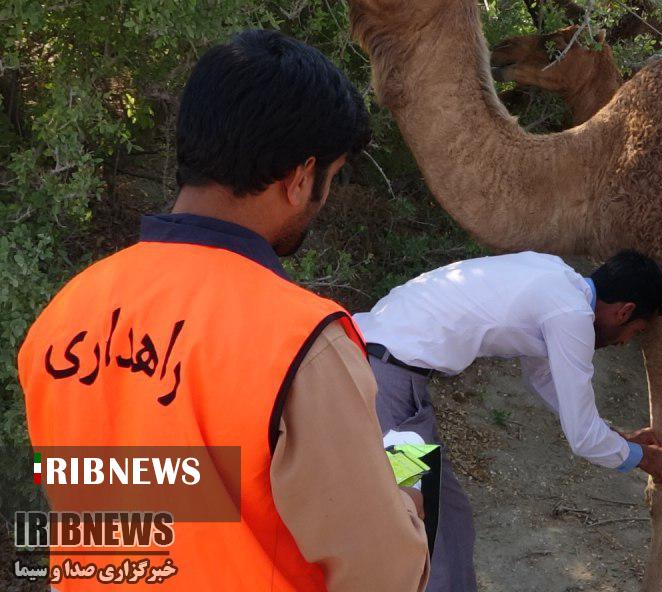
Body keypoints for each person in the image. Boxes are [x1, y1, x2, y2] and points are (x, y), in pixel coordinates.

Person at [17, 30, 430, 591]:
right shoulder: (302, 342)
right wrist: (403, 498)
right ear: (301, 177)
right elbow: (382, 572)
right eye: (328, 181)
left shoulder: (65, 313)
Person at [356, 249, 662, 592]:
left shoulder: (555, 278)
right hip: (390, 387)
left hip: (386, 368)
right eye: (635, 331)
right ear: (625, 311)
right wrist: (646, 459)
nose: (623, 342)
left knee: (450, 520)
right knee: (425, 526)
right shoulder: (570, 314)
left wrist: (618, 437)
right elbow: (583, 438)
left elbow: (545, 379)